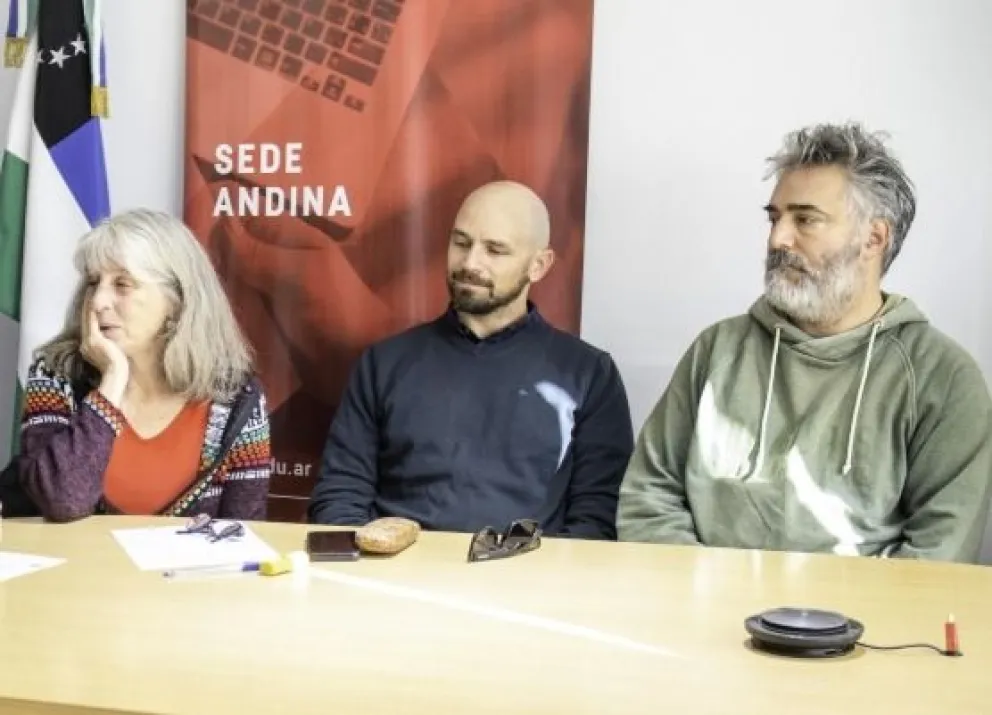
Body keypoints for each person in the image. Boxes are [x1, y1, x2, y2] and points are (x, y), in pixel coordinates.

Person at [617, 122, 992, 563]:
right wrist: (708, 597)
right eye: (774, 218)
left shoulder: (942, 376)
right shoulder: (717, 349)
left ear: (874, 238)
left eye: (805, 219)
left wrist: (829, 626)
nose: (778, 239)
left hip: (862, 628)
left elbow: (940, 554)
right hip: (701, 614)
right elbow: (648, 498)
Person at [308, 180, 633, 539]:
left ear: (539, 265)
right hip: (396, 578)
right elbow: (339, 497)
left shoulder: (588, 374)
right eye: (461, 242)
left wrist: (545, 585)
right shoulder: (384, 364)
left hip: (528, 584)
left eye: (495, 250)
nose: (470, 263)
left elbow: (598, 520)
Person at [0, 209, 271, 522]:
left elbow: (244, 532)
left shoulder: (235, 397)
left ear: (176, 301)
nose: (99, 301)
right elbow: (63, 501)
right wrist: (112, 382)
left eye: (123, 284)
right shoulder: (56, 374)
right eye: (93, 282)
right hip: (78, 571)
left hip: (189, 572)